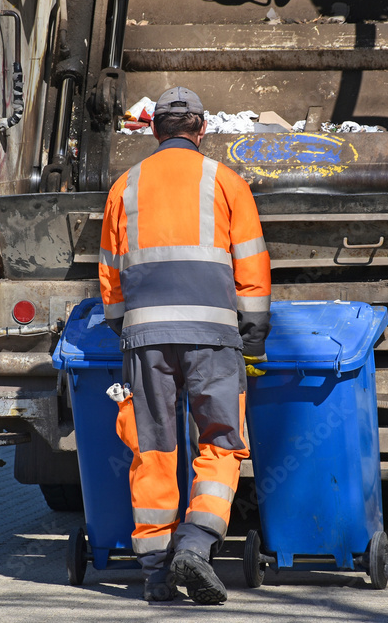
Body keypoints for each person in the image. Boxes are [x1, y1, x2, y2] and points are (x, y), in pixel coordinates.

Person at [98, 87, 271, 603]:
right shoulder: (226, 181)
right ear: (202, 128)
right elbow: (252, 262)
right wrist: (253, 332)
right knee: (221, 442)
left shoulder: (124, 186)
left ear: (154, 130)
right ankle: (195, 543)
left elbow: (110, 271)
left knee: (151, 447)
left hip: (144, 338)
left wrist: (123, 327)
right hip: (213, 337)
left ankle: (156, 574)